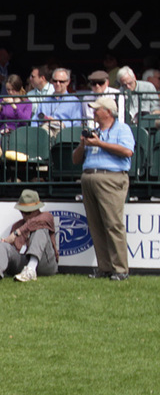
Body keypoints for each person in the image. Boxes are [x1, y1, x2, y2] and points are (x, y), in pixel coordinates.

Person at [73, 94, 134, 280]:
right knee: (96, 224)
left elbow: (127, 151)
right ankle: (105, 267)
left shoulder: (122, 129)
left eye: (96, 109)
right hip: (89, 177)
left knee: (113, 223)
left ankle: (121, 269)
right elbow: (75, 160)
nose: (93, 112)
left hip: (111, 178)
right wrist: (83, 145)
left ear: (108, 112)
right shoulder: (92, 131)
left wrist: (100, 143)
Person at [0, 189, 58, 284]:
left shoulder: (46, 217)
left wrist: (17, 232)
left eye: (28, 212)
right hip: (23, 263)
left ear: (37, 210)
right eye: (22, 212)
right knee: (4, 245)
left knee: (40, 230)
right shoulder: (17, 225)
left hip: (46, 264)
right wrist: (8, 243)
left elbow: (35, 223)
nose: (24, 215)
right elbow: (16, 250)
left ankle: (31, 268)